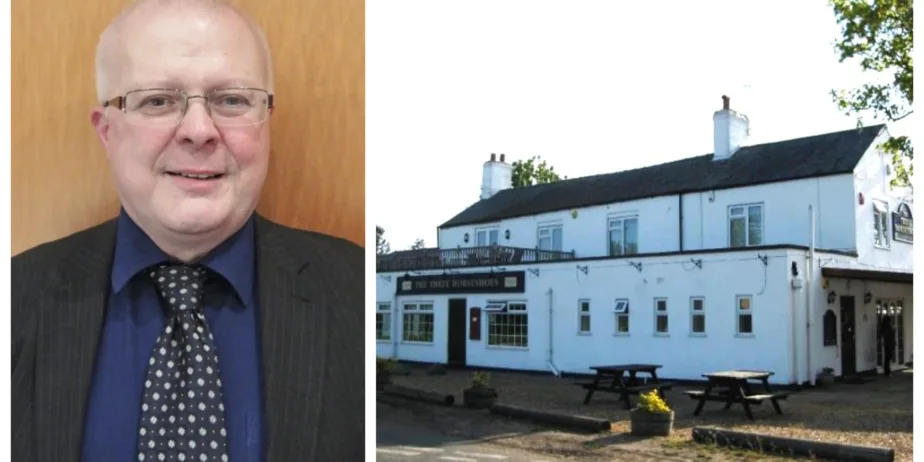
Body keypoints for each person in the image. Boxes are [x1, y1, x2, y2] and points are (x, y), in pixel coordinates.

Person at [10, 1, 364, 461]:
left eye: (232, 100)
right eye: (158, 100)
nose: (199, 130)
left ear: (267, 124)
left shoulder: (356, 290)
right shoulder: (14, 298)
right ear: (106, 131)